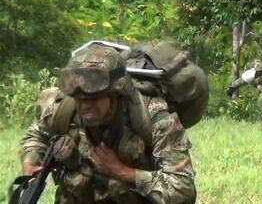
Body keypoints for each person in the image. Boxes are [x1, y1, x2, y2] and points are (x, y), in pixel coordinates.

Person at [18, 44, 196, 203]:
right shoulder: (62, 109)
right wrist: (31, 159)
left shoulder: (155, 117)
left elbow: (183, 189)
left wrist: (124, 172)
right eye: (79, 99)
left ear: (115, 94)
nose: (85, 106)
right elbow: (37, 135)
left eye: (94, 98)